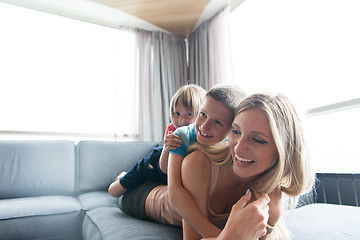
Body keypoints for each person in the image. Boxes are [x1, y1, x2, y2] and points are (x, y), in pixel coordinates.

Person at [181, 93, 315, 239]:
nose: (238, 148)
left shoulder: (271, 192)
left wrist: (271, 220)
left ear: (283, 151)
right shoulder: (198, 163)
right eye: (236, 131)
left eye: (257, 140)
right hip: (159, 200)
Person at [119, 83, 247, 235]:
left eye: (218, 122)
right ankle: (121, 177)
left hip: (163, 183)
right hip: (149, 198)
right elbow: (174, 192)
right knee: (123, 191)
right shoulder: (184, 140)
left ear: (233, 129)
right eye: (203, 114)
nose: (204, 127)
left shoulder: (235, 155)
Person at [108, 84, 206, 198]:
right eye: (177, 113)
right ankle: (122, 176)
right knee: (114, 191)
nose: (181, 120)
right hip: (152, 165)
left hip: (169, 174)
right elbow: (164, 168)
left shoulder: (204, 135)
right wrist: (166, 148)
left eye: (188, 114)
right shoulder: (173, 131)